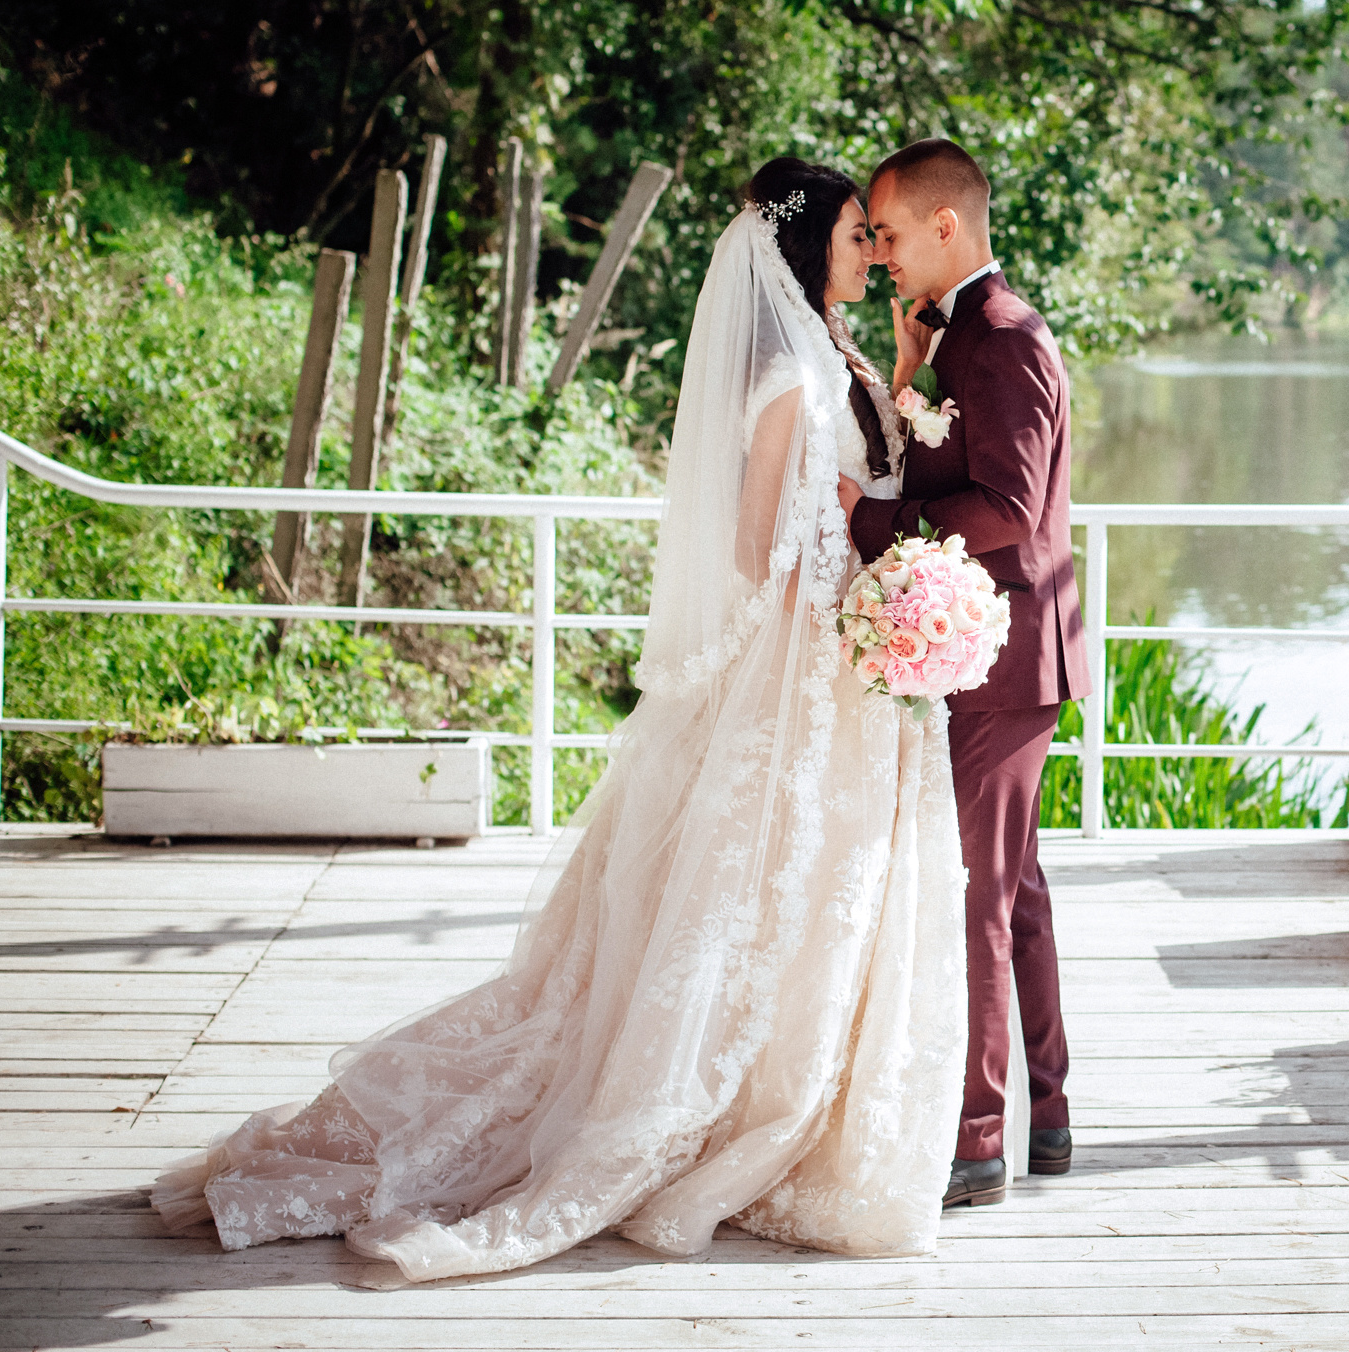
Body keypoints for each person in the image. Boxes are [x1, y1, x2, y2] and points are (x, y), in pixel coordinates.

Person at [151, 158, 968, 1280]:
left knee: (799, 888)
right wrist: (850, 591)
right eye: (847, 232)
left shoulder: (833, 346)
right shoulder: (783, 366)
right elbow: (754, 540)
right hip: (800, 656)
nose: (865, 250)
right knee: (752, 885)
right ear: (801, 244)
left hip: (835, 660)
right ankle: (701, 1112)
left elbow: (855, 478)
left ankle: (793, 1104)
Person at [839, 137, 1088, 1210]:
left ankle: (976, 1142)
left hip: (1009, 654)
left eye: (890, 234)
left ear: (949, 227)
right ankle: (1051, 1116)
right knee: (1016, 891)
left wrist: (877, 525)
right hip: (998, 652)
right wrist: (906, 382)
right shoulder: (959, 337)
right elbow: (961, 459)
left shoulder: (1004, 337)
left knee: (981, 891)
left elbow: (1011, 508)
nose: (881, 253)